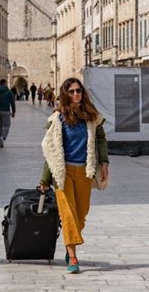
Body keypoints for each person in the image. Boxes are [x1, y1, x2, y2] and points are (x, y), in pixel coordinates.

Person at [39, 78, 109, 274]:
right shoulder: (57, 118)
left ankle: (70, 242)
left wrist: (104, 162)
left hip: (85, 171)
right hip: (63, 173)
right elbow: (50, 150)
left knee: (81, 214)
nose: (75, 94)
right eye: (71, 91)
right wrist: (45, 180)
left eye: (78, 91)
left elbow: (101, 139)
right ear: (65, 94)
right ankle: (72, 256)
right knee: (68, 214)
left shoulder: (92, 116)